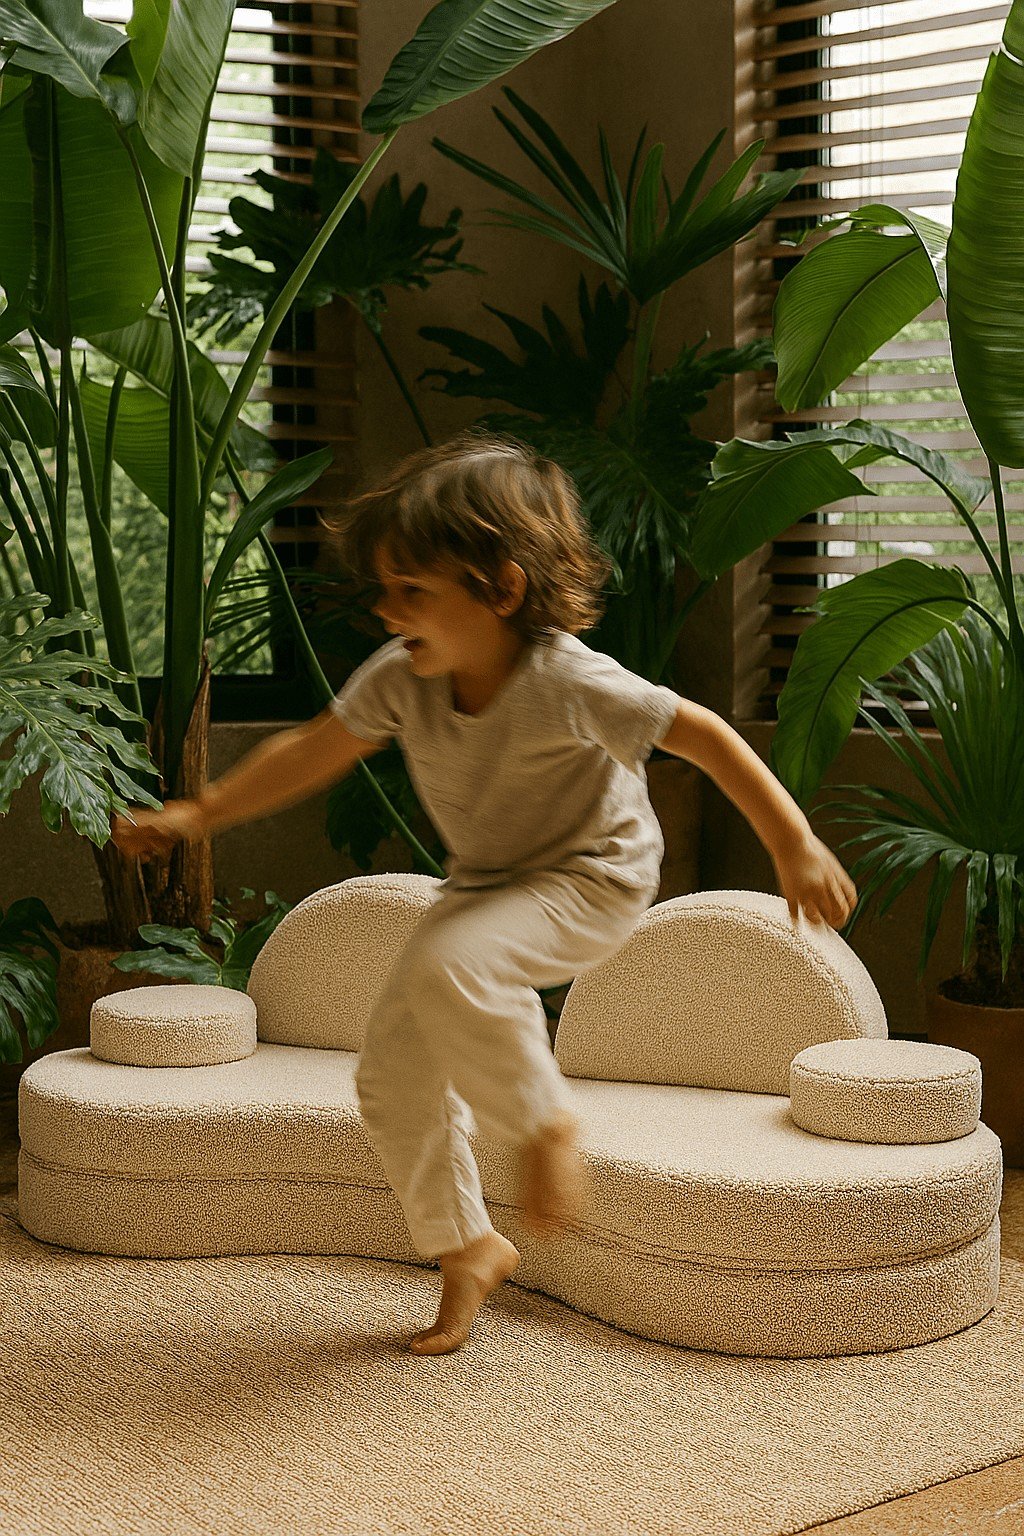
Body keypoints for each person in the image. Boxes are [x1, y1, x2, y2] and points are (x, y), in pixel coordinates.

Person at [111, 429, 858, 1357]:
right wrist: (201, 812)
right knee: (390, 1079)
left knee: (451, 964)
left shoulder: (569, 679)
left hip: (596, 875)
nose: (387, 612)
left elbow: (700, 733)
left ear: (501, 589)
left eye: (412, 591)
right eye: (383, 589)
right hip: (488, 884)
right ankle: (467, 1244)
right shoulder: (403, 678)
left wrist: (793, 843)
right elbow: (313, 748)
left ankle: (542, 1123)